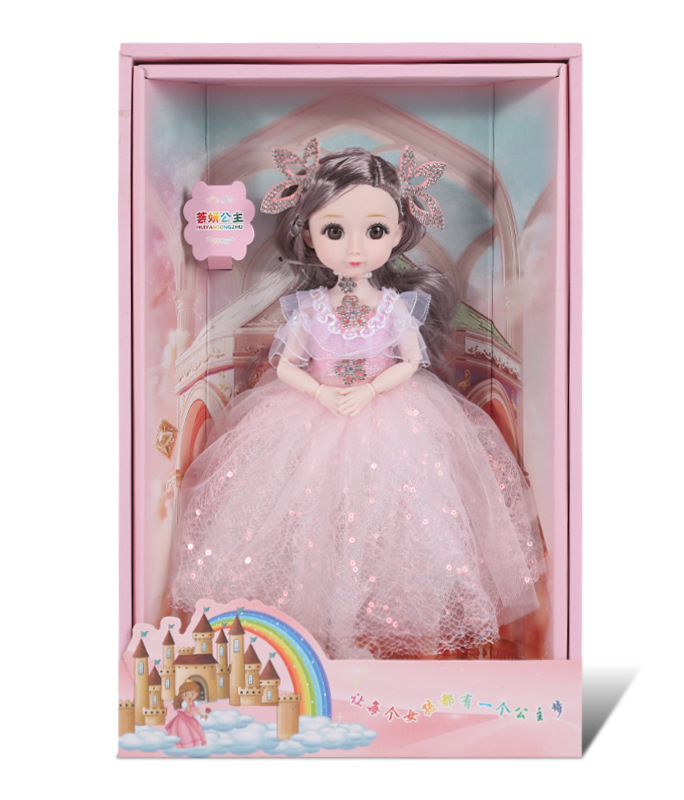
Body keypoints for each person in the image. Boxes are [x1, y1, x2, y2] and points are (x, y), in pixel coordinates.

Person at [168, 140, 545, 659]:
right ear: (308, 234)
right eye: (333, 230)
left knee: (392, 525)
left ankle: (364, 633)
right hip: (309, 416)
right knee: (313, 524)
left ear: (398, 232)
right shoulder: (308, 308)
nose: (354, 248)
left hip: (392, 418)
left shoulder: (395, 306)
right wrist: (321, 390)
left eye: (374, 231)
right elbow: (286, 366)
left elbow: (410, 362)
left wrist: (369, 389)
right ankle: (320, 635)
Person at [165, 681, 208, 749]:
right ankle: (184, 744)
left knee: (196, 729)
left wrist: (201, 715)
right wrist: (188, 703)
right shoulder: (184, 704)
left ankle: (197, 742)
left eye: (192, 693)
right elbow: (188, 711)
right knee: (184, 730)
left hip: (191, 719)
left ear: (197, 693)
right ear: (182, 695)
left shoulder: (195, 703)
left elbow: (197, 710)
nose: (189, 696)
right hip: (183, 718)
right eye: (186, 694)